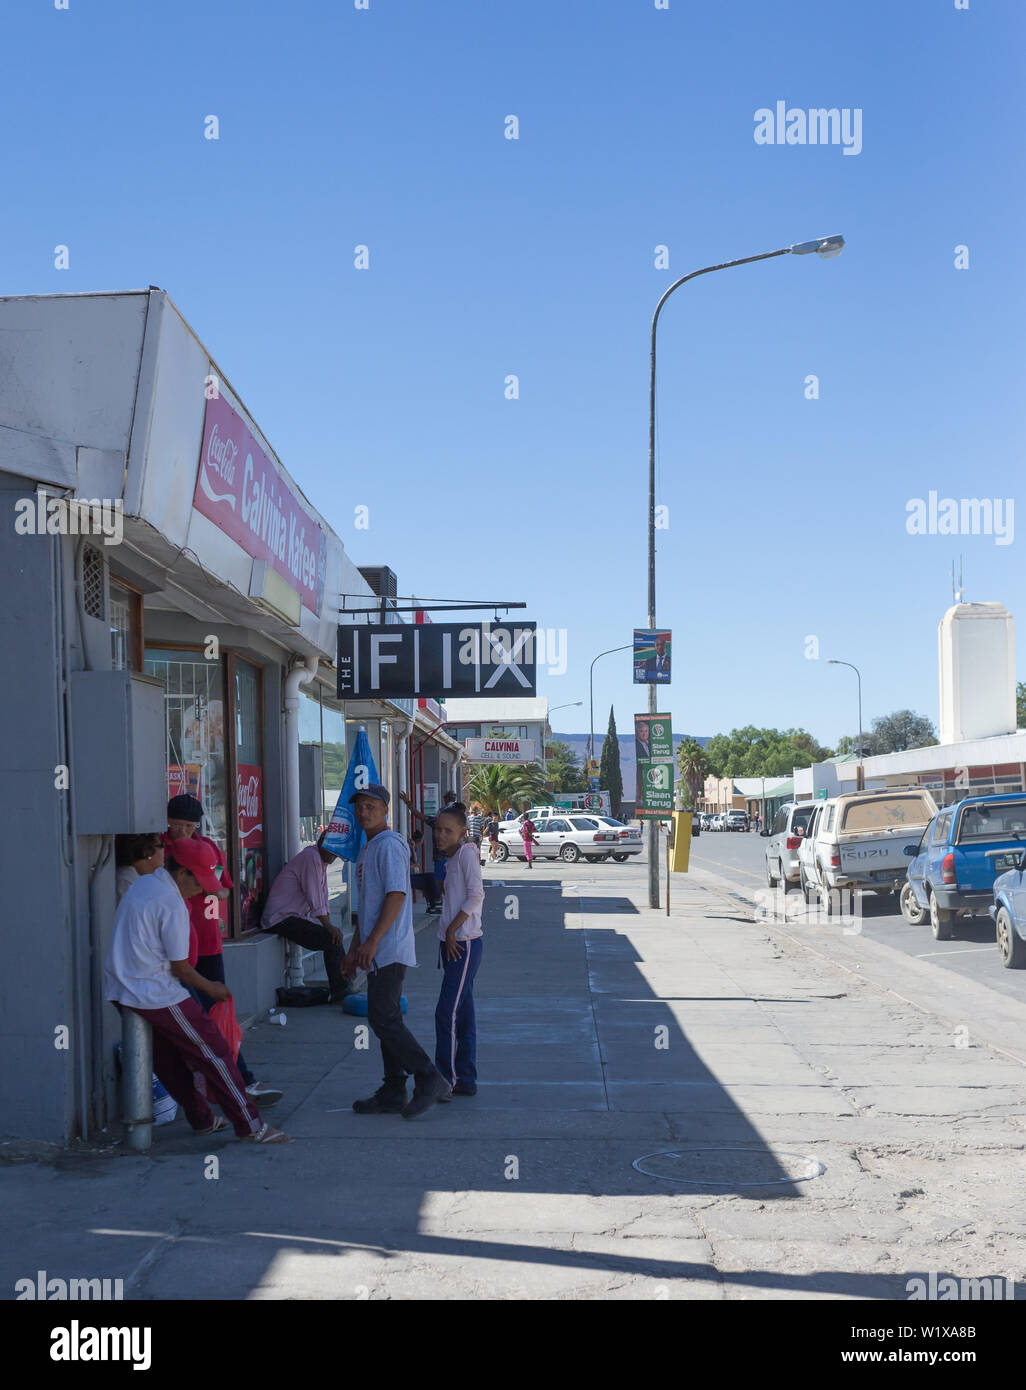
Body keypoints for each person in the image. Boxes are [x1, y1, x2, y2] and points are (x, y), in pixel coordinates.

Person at [104, 835, 289, 1143]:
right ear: (181, 873)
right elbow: (182, 969)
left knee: (167, 1061)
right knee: (214, 1051)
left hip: (122, 986)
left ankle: (201, 1119)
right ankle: (251, 1126)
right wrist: (214, 989)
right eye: (198, 881)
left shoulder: (145, 884)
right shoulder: (170, 901)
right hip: (154, 991)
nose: (202, 889)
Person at [164, 794, 281, 1107]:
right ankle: (230, 1082)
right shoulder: (160, 850)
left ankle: (235, 1080)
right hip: (173, 950)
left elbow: (226, 889)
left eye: (188, 826)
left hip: (207, 944)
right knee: (194, 1021)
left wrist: (208, 885)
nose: (183, 832)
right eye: (177, 825)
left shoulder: (206, 848)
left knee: (215, 1017)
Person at [345, 784, 451, 1118]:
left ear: (385, 809)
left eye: (371, 806)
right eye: (360, 806)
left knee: (384, 1018)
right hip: (377, 947)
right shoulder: (370, 847)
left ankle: (428, 1076)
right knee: (385, 1017)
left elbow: (395, 896)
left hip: (389, 947)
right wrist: (354, 949)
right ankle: (393, 1089)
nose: (364, 811)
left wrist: (373, 941)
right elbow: (368, 906)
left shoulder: (389, 845)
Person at [261, 830, 357, 999]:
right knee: (331, 939)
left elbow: (323, 897)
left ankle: (343, 985)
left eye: (337, 854)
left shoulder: (320, 862)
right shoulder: (311, 857)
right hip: (280, 918)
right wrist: (328, 926)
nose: (334, 857)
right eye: (333, 851)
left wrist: (330, 926)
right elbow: (315, 898)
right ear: (322, 843)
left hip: (291, 917)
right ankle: (341, 992)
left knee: (333, 937)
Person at [431, 806, 484, 1097]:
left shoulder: (466, 854)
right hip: (453, 944)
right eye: (438, 829)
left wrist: (452, 930)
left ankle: (444, 1079)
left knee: (445, 1013)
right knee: (463, 1015)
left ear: (462, 833)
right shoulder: (451, 859)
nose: (440, 834)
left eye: (447, 830)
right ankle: (466, 1079)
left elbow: (478, 895)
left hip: (464, 944)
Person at [115, 833, 165, 903]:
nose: (164, 849)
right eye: (161, 846)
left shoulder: (140, 878)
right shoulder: (127, 881)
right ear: (146, 851)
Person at [408, 828, 443, 914]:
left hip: (411, 875)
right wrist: (412, 866)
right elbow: (410, 864)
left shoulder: (412, 848)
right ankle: (435, 903)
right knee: (429, 881)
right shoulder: (407, 848)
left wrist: (412, 848)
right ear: (420, 841)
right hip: (407, 877)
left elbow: (415, 860)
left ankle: (432, 905)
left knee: (431, 876)